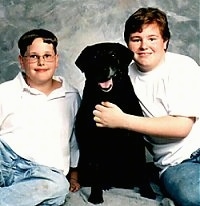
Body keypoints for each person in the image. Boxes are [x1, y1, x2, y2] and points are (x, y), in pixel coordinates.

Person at [93, 7, 200, 206]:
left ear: (165, 42)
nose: (144, 46)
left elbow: (181, 127)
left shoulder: (183, 66)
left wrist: (122, 120)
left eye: (152, 38)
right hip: (176, 163)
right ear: (127, 44)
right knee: (194, 196)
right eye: (136, 39)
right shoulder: (120, 76)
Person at [0, 29, 80, 206]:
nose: (41, 62)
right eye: (33, 56)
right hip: (5, 158)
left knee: (58, 187)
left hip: (43, 172)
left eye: (47, 56)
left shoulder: (71, 95)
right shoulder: (5, 92)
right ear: (22, 61)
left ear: (57, 60)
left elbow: (75, 139)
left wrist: (73, 174)